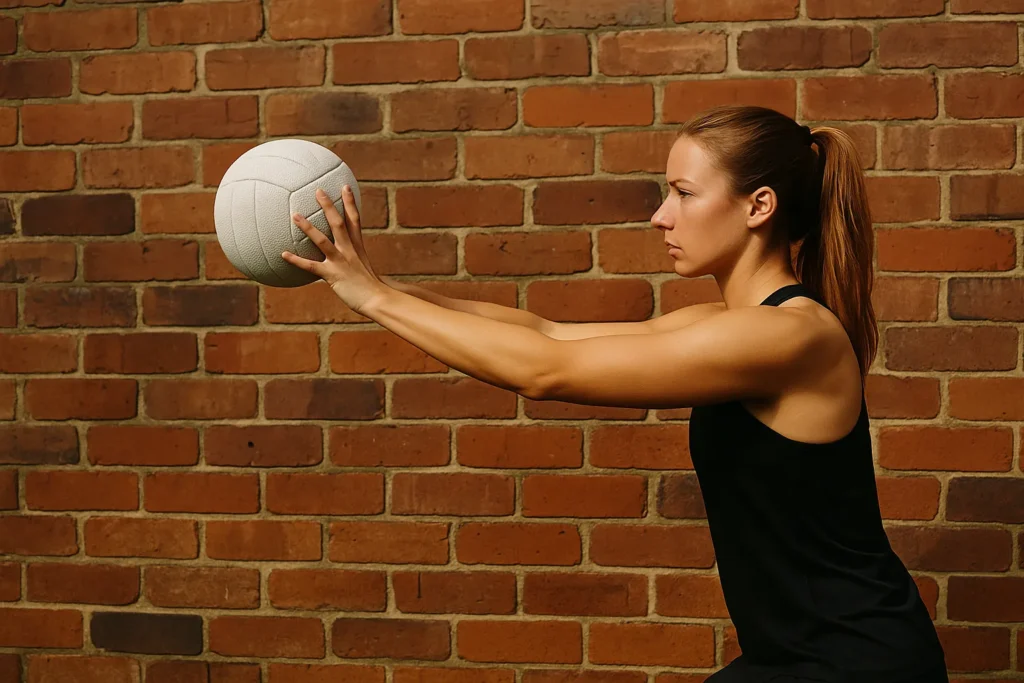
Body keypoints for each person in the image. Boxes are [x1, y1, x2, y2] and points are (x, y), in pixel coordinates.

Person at [282, 104, 949, 683]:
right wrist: (380, 286)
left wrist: (369, 297)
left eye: (684, 193)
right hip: (799, 658)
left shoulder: (792, 338)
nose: (661, 216)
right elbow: (549, 332)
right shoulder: (724, 324)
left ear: (759, 205)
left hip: (858, 663)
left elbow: (545, 371)